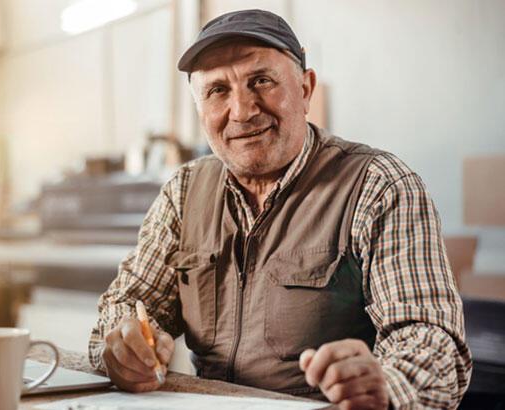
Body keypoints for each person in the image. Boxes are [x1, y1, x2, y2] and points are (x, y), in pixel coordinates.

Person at [88, 9, 471, 410]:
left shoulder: (378, 186)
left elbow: (433, 341)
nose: (242, 110)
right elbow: (128, 305)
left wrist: (388, 385)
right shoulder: (184, 193)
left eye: (262, 81)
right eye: (218, 90)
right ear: (201, 108)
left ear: (305, 89)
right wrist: (122, 343)